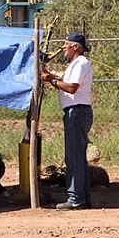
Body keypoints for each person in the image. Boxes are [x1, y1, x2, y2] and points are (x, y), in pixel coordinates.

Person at [41, 33, 93, 210]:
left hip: (77, 112)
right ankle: (82, 198)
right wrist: (49, 75)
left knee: (74, 157)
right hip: (75, 111)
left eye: (66, 45)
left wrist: (51, 80)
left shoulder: (81, 63)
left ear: (75, 47)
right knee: (77, 157)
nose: (64, 48)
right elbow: (64, 80)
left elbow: (71, 87)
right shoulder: (74, 65)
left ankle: (75, 199)